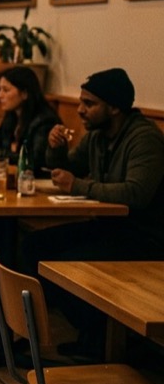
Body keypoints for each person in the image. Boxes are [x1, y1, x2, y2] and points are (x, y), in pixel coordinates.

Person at [23, 68, 164, 359]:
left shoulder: (144, 138)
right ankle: (45, 337)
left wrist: (79, 185)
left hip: (145, 236)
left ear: (114, 107)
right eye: (80, 102)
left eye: (89, 104)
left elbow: (135, 194)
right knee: (35, 247)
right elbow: (69, 167)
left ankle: (102, 344)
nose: (80, 110)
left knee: (63, 265)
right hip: (111, 226)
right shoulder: (98, 136)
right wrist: (56, 150)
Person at [0, 65, 60, 170]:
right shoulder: (12, 116)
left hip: (37, 181)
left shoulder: (45, 121)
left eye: (6, 90)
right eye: (0, 90)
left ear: (24, 94)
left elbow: (34, 160)